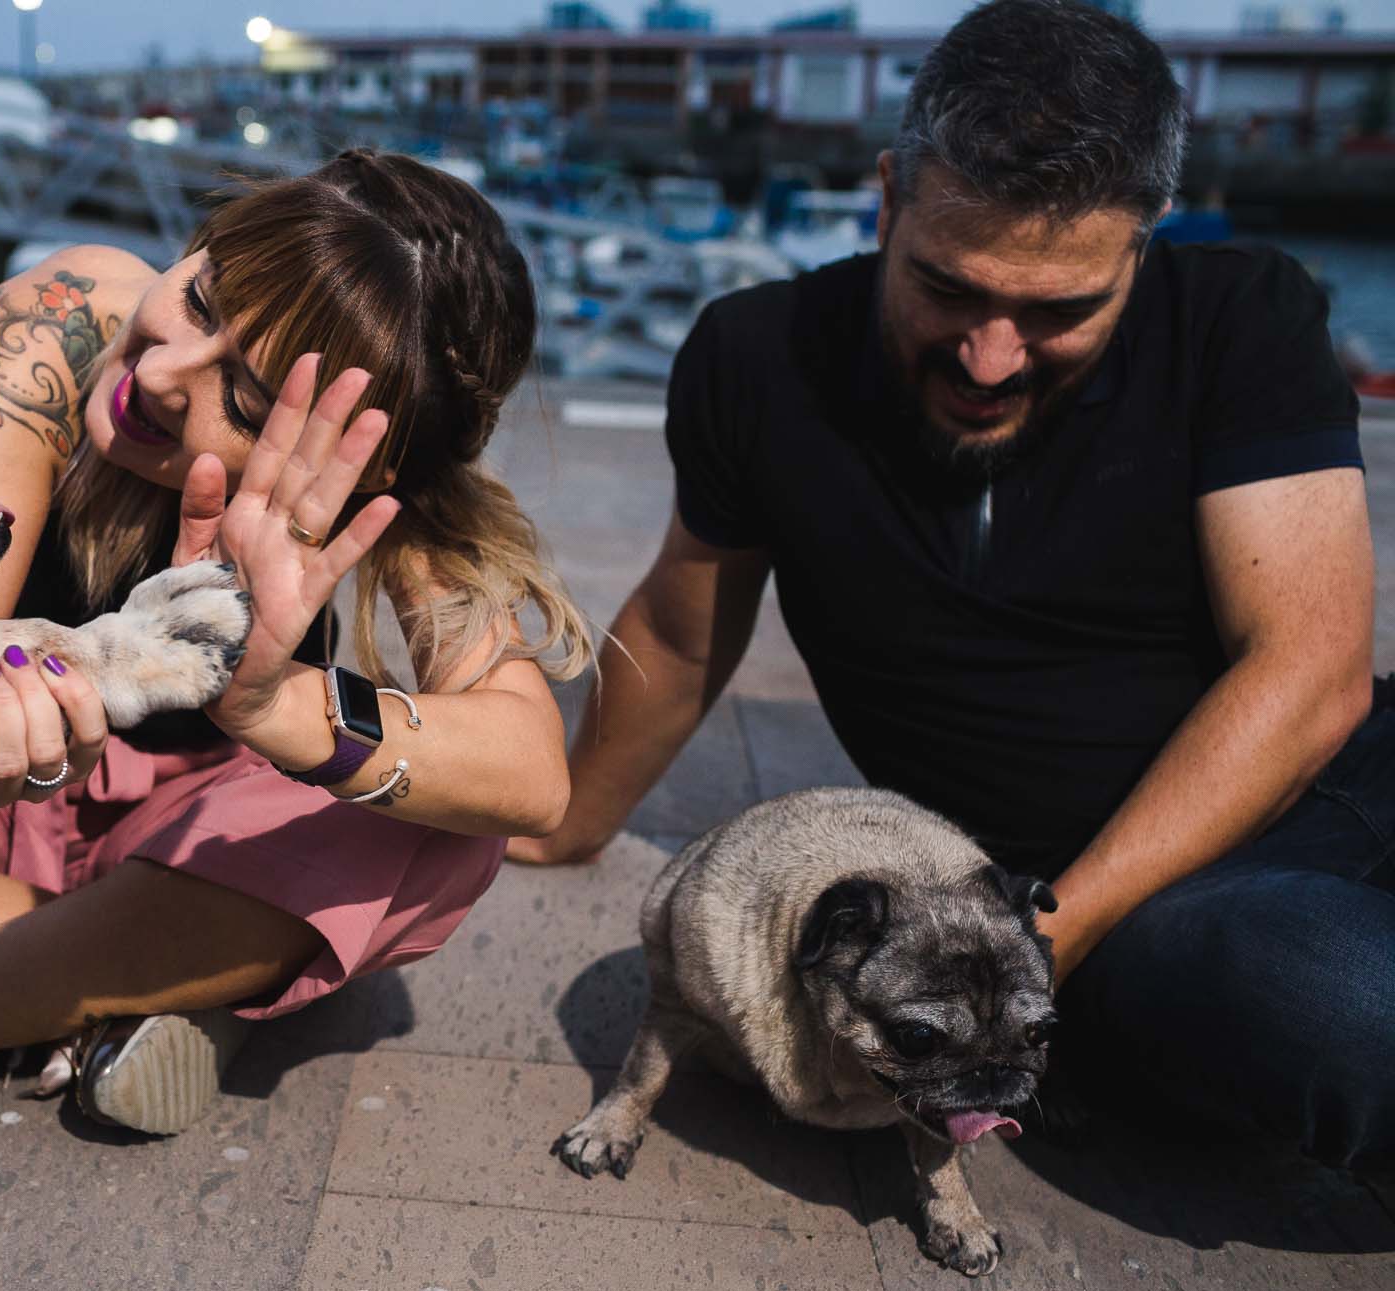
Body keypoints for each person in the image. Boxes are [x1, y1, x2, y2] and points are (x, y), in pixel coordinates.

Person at [513, 0, 1393, 1170]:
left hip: (1332, 775)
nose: (988, 358)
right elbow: (682, 630)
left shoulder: (1240, 318)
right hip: (1134, 899)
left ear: (1142, 238)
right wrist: (571, 821)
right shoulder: (756, 359)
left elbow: (1309, 668)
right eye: (945, 286)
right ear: (886, 195)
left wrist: (1037, 951)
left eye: (1057, 312)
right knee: (1332, 1003)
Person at [0, 150, 591, 1139]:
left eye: (246, 402)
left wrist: (273, 706)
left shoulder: (386, 499)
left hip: (209, 827)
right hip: (1, 819)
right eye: (202, 300)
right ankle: (121, 977)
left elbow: (532, 777)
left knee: (439, 826)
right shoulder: (62, 318)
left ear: (357, 457)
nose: (162, 373)